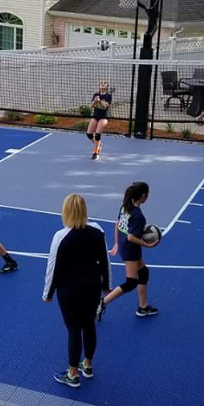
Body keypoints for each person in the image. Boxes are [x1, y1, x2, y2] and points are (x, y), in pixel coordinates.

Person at [44, 194, 111, 387]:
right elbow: (104, 261)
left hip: (69, 289)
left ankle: (73, 374)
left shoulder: (61, 236)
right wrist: (106, 284)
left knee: (74, 329)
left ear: (66, 212)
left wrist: (48, 293)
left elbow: (53, 267)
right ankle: (87, 364)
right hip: (92, 286)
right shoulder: (97, 231)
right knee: (89, 324)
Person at [97, 182, 159, 320]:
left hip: (125, 245)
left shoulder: (125, 206)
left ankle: (143, 307)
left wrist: (116, 243)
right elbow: (131, 237)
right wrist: (147, 245)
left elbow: (117, 223)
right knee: (130, 282)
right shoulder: (138, 216)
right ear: (143, 196)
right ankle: (102, 303)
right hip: (131, 249)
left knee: (143, 272)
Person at [86, 81, 112, 160]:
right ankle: (98, 144)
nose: (102, 84)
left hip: (104, 117)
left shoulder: (108, 96)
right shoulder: (95, 95)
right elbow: (92, 105)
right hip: (95, 116)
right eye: (101, 83)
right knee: (89, 134)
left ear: (106, 87)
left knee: (97, 134)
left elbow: (104, 106)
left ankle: (96, 152)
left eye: (104, 83)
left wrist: (99, 101)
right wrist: (94, 101)